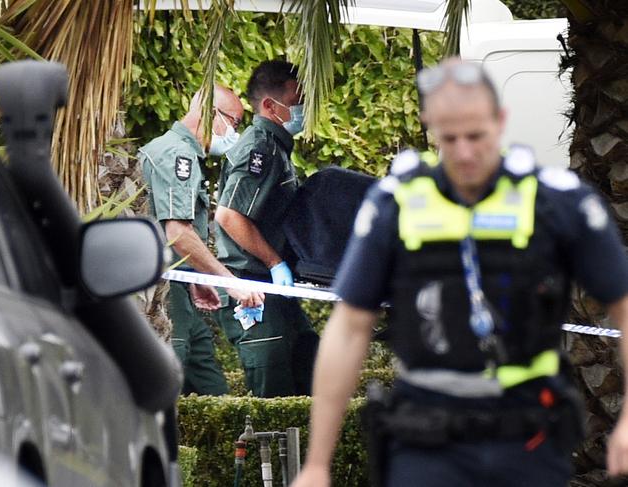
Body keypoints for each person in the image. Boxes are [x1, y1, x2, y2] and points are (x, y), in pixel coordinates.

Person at [292, 58, 628, 487]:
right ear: (430, 126)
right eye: (450, 138)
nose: (465, 152)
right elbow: (350, 327)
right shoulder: (395, 204)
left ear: (500, 121)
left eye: (476, 136)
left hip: (526, 437)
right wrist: (318, 463)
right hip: (427, 439)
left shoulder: (557, 202)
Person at [138, 84, 264, 396]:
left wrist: (196, 277)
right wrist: (228, 281)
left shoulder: (185, 155)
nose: (235, 132)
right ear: (210, 114)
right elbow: (177, 232)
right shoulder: (176, 154)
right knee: (166, 389)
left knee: (212, 389)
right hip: (160, 294)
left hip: (179, 287)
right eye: (234, 123)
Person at [213, 60, 319, 398]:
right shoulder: (260, 147)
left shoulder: (276, 147)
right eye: (297, 98)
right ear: (271, 106)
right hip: (253, 288)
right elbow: (228, 215)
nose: (303, 106)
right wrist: (276, 263)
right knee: (273, 395)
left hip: (275, 290)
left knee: (309, 366)